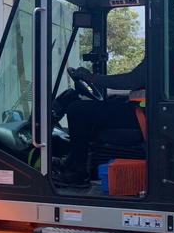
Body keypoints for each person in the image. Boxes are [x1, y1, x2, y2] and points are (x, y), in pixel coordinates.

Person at [51, 59, 146, 187]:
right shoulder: (171, 53)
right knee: (103, 104)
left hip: (142, 116)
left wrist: (92, 78)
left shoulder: (162, 53)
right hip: (144, 112)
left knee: (77, 110)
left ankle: (78, 172)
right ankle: (72, 159)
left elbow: (131, 80)